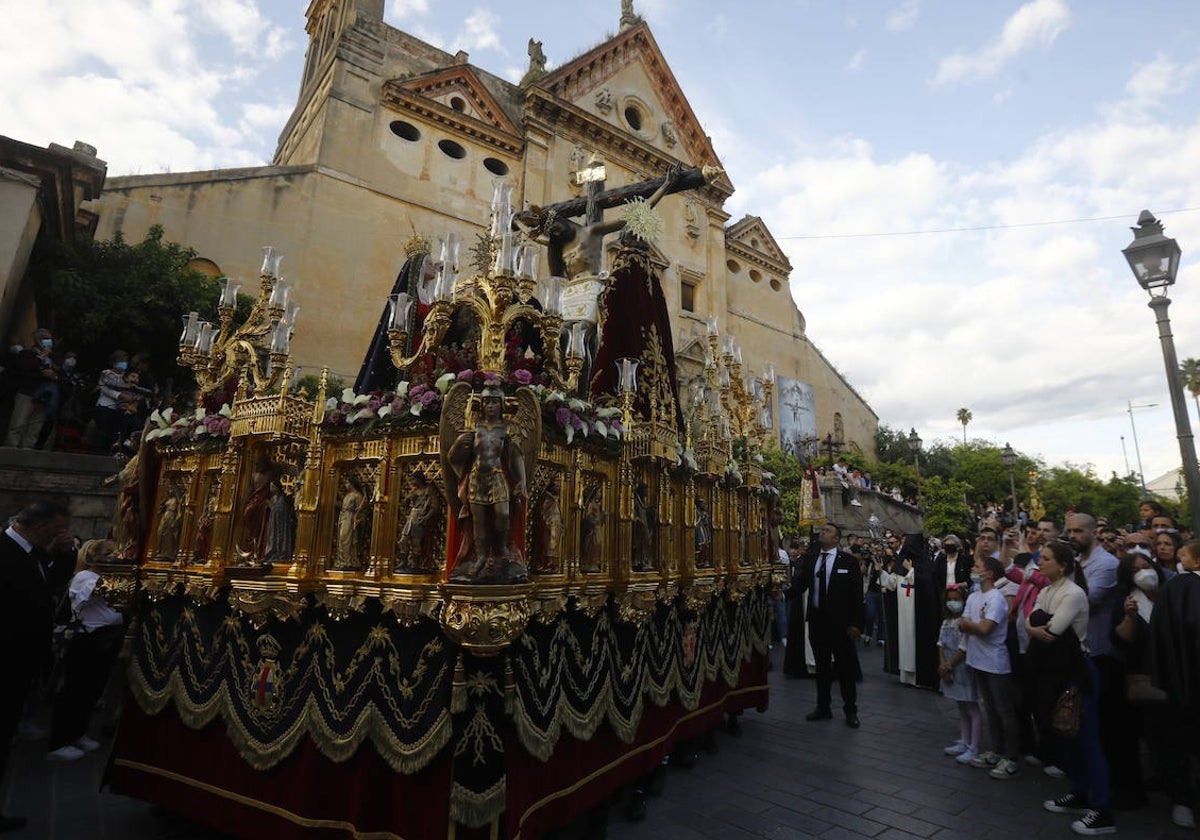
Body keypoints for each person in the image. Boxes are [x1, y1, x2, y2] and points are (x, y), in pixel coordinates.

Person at [1030, 541, 1116, 836]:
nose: (1040, 562)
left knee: (1087, 739)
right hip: (1055, 670)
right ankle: (1080, 791)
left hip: (1076, 671)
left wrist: (1036, 625)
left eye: (1046, 558)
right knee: (1068, 735)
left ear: (1062, 565)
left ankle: (1103, 809)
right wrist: (1035, 625)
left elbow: (1052, 630)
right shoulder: (1046, 590)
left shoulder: (1074, 593)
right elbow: (1032, 620)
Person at [0, 501, 72, 832]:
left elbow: (48, 586)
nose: (61, 536)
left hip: (20, 666)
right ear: (39, 527)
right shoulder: (6, 553)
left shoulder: (35, 554)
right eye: (57, 531)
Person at [45, 540, 126, 761]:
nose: (113, 556)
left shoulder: (108, 578)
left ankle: (78, 733)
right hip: (88, 638)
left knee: (92, 690)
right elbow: (101, 594)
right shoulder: (85, 577)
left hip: (107, 638)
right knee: (74, 690)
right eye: (107, 553)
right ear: (93, 556)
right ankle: (59, 741)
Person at [447, 386, 528, 582]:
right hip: (477, 477)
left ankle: (501, 549)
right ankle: (481, 557)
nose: (490, 405)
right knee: (479, 519)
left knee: (503, 513)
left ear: (502, 405)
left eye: (494, 401)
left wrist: (522, 481)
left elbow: (516, 456)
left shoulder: (507, 429)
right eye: (486, 401)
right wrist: (458, 444)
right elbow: (453, 457)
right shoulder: (474, 428)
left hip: (497, 475)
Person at [1148, 539, 1200, 830]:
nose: (1179, 561)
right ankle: (1183, 798)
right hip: (1188, 679)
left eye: (1183, 555)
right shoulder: (1180, 588)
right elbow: (1166, 634)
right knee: (1182, 740)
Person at [797, 523, 864, 728]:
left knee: (844, 668)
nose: (822, 533)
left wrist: (856, 623)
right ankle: (823, 706)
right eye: (822, 530)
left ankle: (850, 709)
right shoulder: (812, 560)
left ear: (836, 539)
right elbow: (801, 585)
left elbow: (856, 595)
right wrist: (782, 594)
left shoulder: (848, 562)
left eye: (827, 531)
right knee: (822, 667)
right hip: (818, 621)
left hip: (841, 624)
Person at [960, 556, 1021, 780]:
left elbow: (985, 628)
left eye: (977, 567)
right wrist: (970, 625)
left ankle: (1011, 757)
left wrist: (970, 626)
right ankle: (996, 750)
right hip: (978, 659)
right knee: (990, 709)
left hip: (995, 661)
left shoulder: (996, 599)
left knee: (1004, 710)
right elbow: (963, 622)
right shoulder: (974, 596)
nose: (973, 569)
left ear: (989, 574)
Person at [939, 586, 982, 764]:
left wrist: (950, 664)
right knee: (961, 707)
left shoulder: (965, 622)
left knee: (972, 707)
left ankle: (974, 746)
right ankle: (964, 741)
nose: (953, 603)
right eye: (950, 599)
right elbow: (940, 643)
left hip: (962, 666)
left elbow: (964, 647)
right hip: (949, 665)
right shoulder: (946, 622)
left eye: (957, 599)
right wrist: (942, 663)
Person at [3, 328, 59, 449]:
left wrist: (53, 375)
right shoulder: (26, 354)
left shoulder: (52, 358)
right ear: (37, 339)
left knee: (35, 427)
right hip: (27, 393)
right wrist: (41, 358)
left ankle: (27, 450)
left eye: (49, 339)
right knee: (18, 423)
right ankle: (11, 448)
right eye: (45, 338)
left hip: (44, 396)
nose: (48, 341)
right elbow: (25, 368)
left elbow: (60, 373)